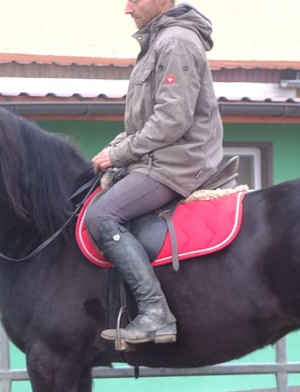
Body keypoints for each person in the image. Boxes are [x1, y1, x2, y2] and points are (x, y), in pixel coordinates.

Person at [86, 0, 224, 345]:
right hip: (158, 156)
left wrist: (119, 153)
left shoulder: (175, 42)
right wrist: (117, 147)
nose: (127, 8)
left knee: (102, 215)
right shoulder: (159, 41)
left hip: (179, 161)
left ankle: (154, 313)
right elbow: (148, 119)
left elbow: (172, 121)